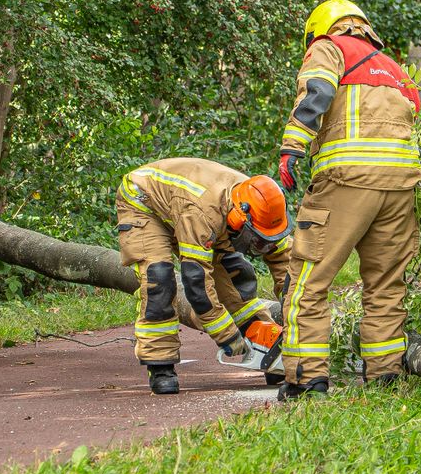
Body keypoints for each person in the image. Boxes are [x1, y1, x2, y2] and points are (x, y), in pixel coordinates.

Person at [276, 0, 421, 400]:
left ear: (322, 28)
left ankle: (307, 380)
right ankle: (384, 377)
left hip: (346, 182)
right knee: (386, 284)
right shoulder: (394, 68)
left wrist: (294, 145)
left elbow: (318, 91)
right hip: (399, 189)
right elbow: (416, 112)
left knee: (308, 282)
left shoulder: (329, 47)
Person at [115, 157, 292, 394]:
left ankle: (269, 350)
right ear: (240, 219)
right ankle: (160, 363)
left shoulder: (263, 207)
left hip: (200, 214)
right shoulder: (202, 214)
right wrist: (227, 335)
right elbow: (196, 283)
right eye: (257, 239)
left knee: (238, 278)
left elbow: (289, 268)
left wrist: (297, 318)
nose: (261, 246)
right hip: (144, 204)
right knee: (159, 280)